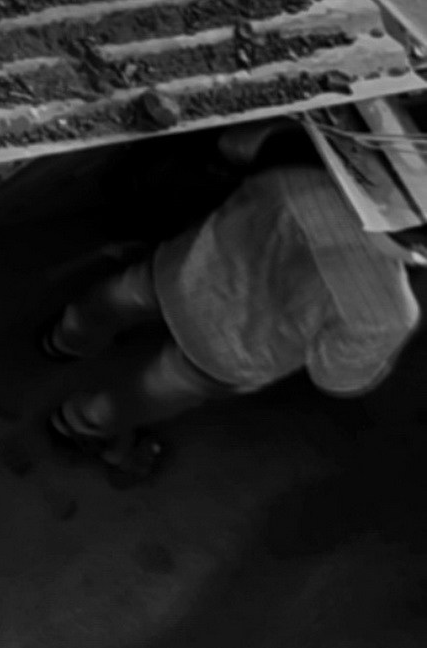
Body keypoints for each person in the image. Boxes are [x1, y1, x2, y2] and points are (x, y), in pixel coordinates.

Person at [46, 133, 417, 477]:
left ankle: (65, 339)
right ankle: (82, 423)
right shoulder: (390, 314)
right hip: (227, 353)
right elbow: (335, 375)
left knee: (120, 296)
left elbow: (231, 167)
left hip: (183, 270)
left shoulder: (302, 169)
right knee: (150, 390)